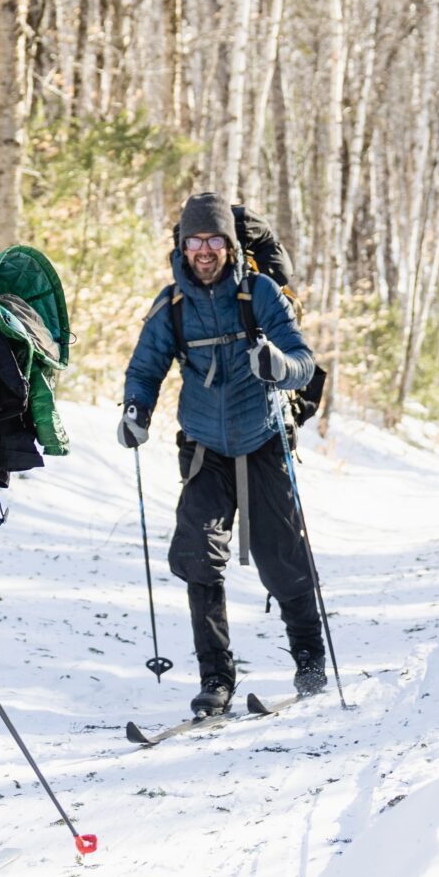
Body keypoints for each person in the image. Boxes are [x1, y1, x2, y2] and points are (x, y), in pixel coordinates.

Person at [117, 191, 324, 717]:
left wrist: (278, 363)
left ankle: (309, 658)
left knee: (284, 559)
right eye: (194, 241)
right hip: (204, 447)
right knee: (198, 558)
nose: (203, 250)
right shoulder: (173, 308)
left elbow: (303, 360)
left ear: (230, 246)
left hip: (264, 440)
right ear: (182, 247)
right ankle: (216, 678)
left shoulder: (261, 295)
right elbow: (145, 369)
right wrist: (136, 411)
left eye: (213, 240)